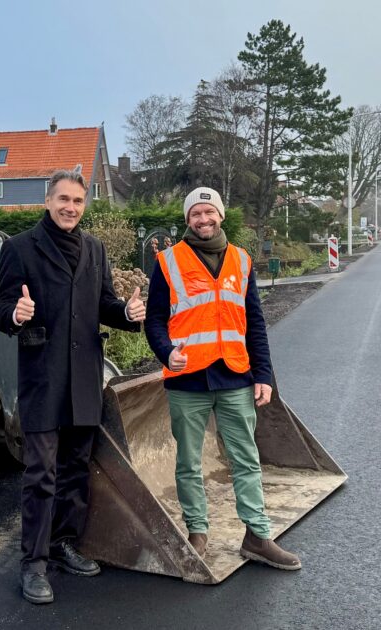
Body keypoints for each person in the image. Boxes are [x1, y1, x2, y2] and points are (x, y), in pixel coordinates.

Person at [0, 169, 145, 604]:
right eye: (63, 199)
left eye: (77, 201)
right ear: (48, 200)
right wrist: (15, 313)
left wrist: (127, 313)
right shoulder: (19, 248)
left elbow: (105, 305)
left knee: (77, 468)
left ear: (84, 204)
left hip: (84, 375)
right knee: (41, 473)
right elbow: (1, 310)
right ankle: (33, 564)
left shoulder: (94, 250)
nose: (70, 208)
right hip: (43, 376)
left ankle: (63, 543)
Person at [143, 186, 300, 571]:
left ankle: (257, 535)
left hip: (234, 375)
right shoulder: (167, 262)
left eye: (209, 212)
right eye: (196, 214)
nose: (203, 219)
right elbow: (154, 319)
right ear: (187, 219)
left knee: (246, 459)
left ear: (221, 216)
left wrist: (263, 374)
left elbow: (255, 324)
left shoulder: (242, 261)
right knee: (188, 462)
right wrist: (167, 353)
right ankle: (197, 530)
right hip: (187, 380)